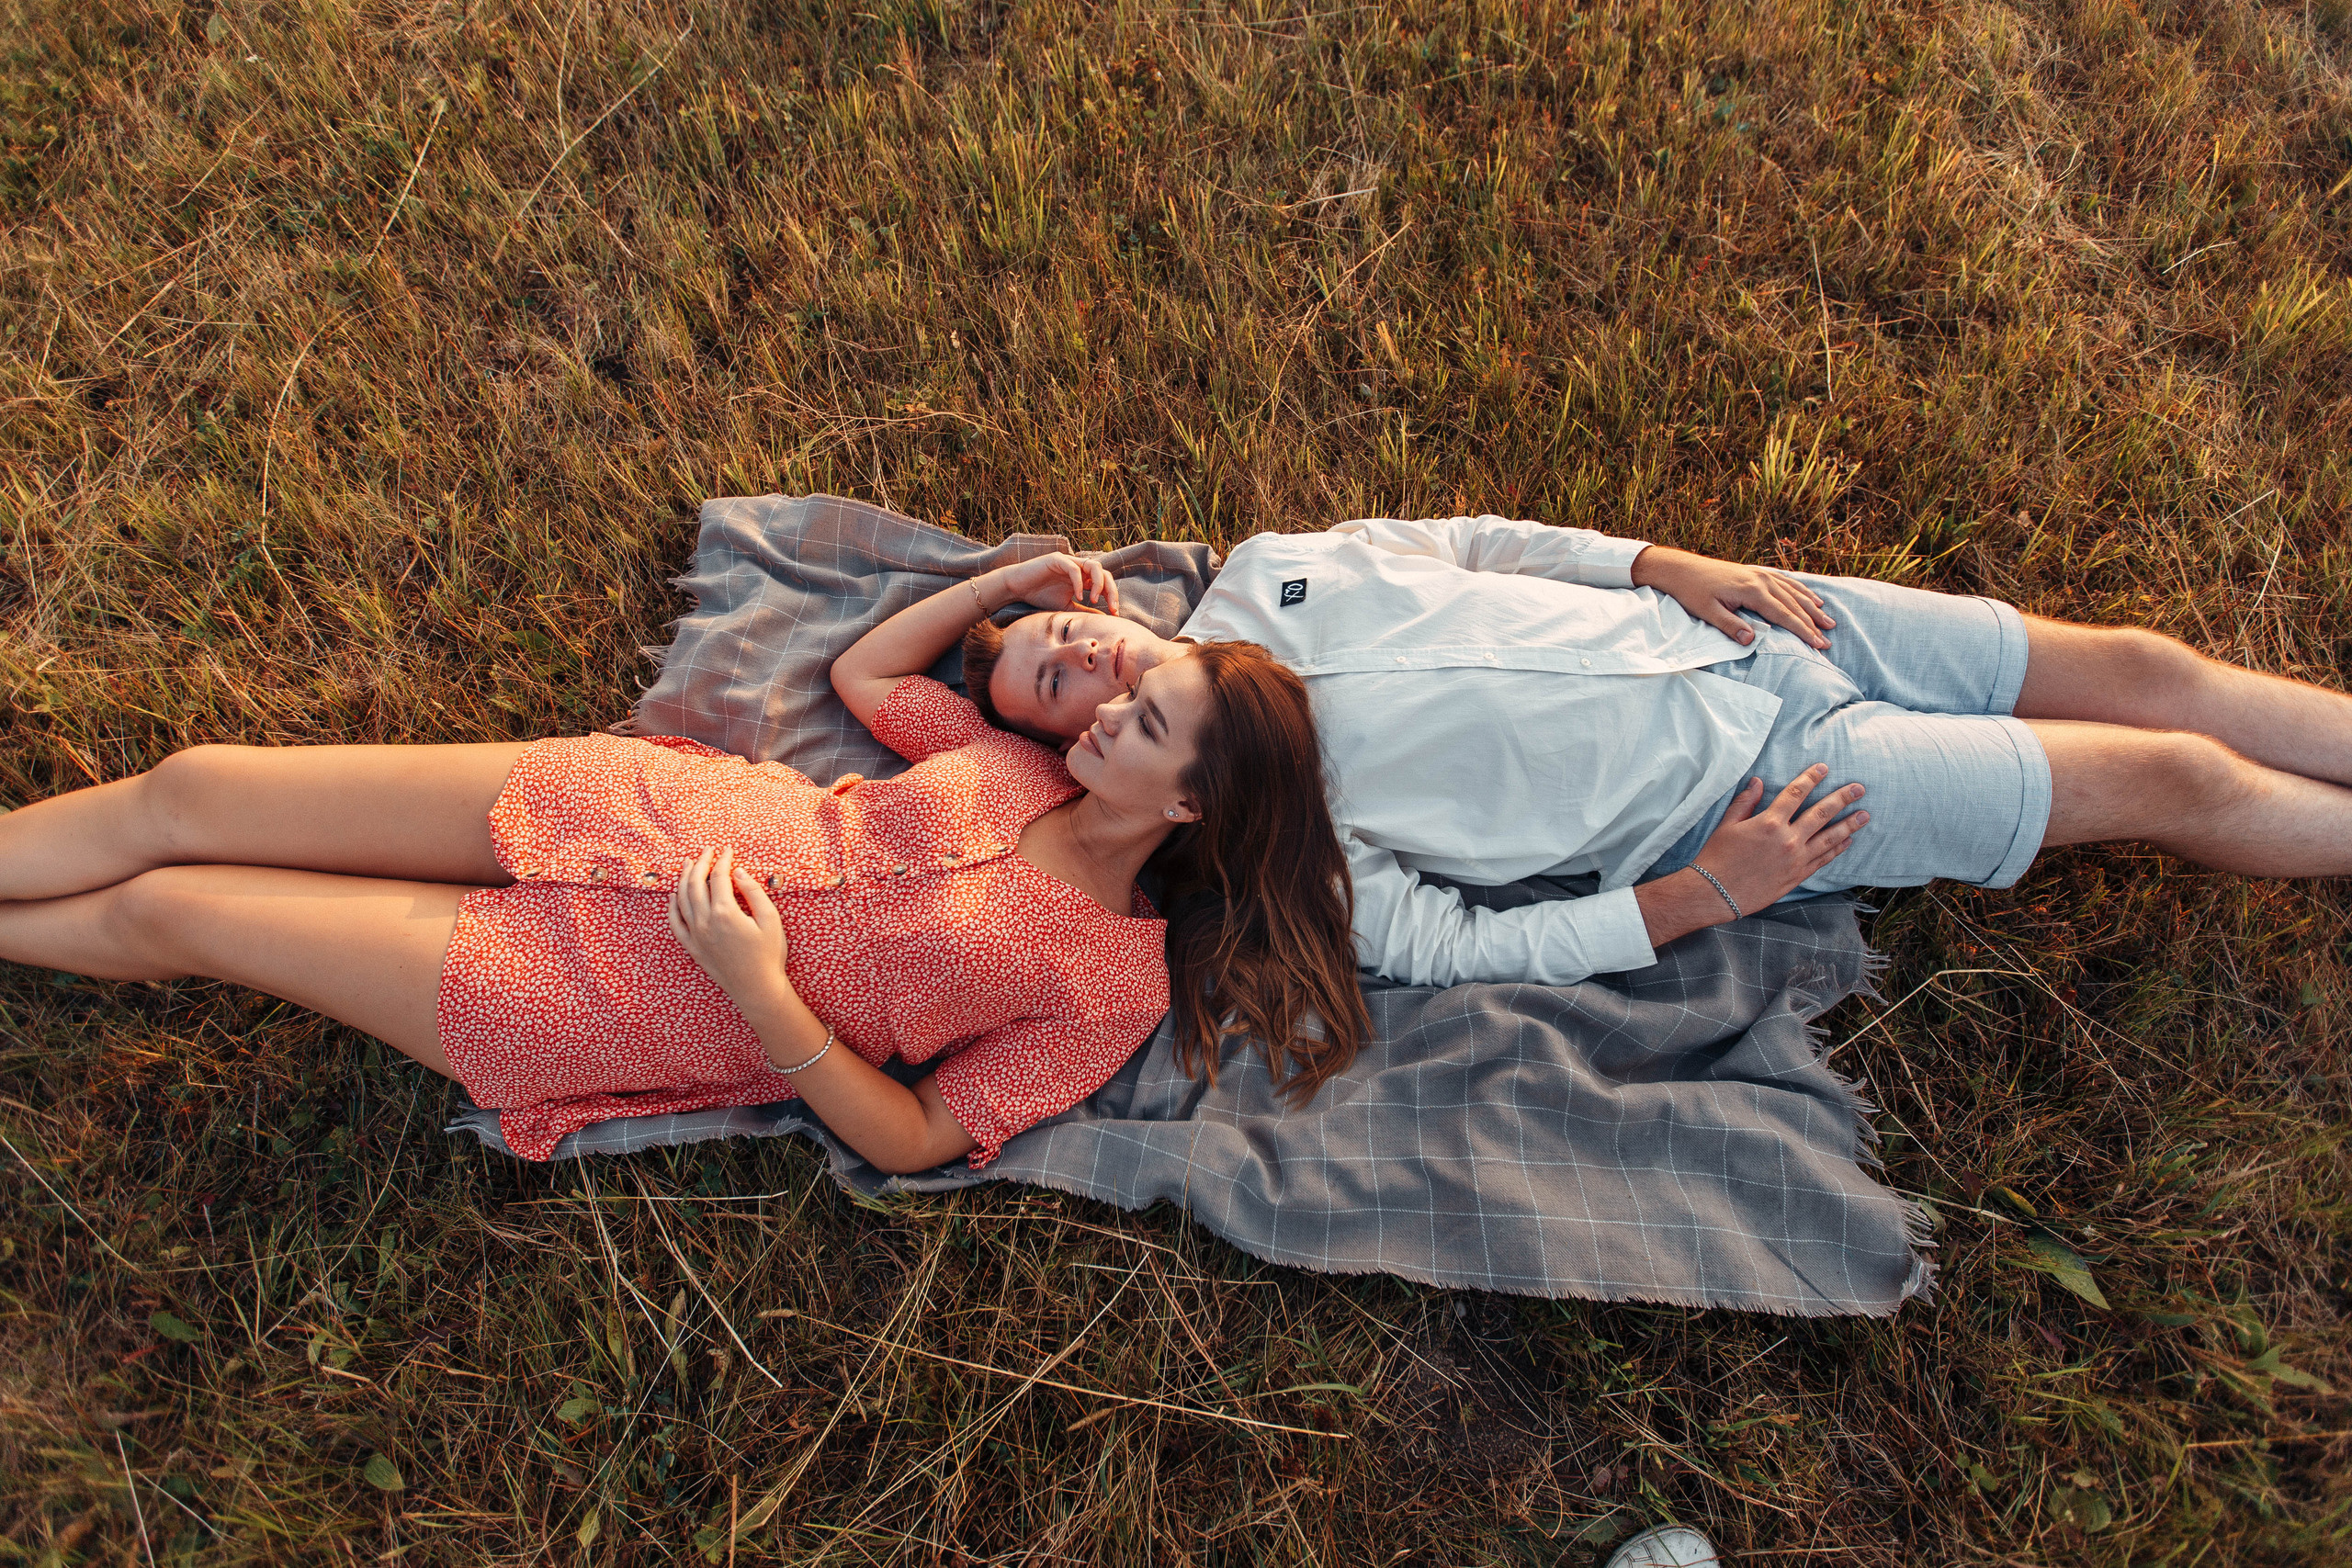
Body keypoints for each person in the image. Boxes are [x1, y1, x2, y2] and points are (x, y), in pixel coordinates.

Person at [0, 556, 1367, 1173]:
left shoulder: (1111, 982)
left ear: (1193, 806)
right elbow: (864, 671)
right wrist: (1003, 576)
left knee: (180, 908)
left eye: (1146, 719)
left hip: (613, 999)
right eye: (1134, 683)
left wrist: (765, 992)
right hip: (629, 810)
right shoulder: (1013, 756)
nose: (1107, 705)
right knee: (196, 788)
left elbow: (920, 1140)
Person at [963, 514, 2352, 987]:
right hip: (1771, 791)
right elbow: (1469, 951)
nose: (1086, 682)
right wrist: (1710, 893)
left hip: (1742, 626)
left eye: (1059, 635)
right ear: (1169, 787)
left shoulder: (1269, 572)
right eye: (1060, 710)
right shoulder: (1306, 858)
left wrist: (1656, 560)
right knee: (2170, 777)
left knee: (2146, 668)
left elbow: (1477, 547)